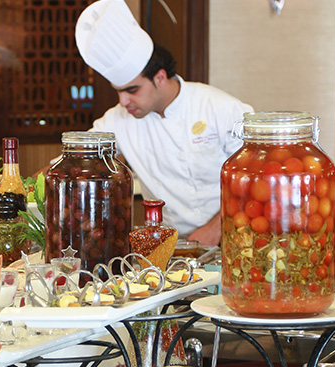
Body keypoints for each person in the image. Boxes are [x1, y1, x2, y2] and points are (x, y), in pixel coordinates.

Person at [73, 0, 253, 245]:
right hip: (173, 246)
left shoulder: (219, 107)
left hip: (235, 235)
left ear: (160, 77)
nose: (123, 101)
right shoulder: (117, 119)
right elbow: (76, 159)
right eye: (118, 91)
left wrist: (216, 228)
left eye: (132, 90)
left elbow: (253, 176)